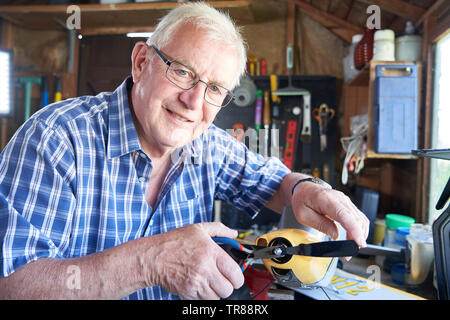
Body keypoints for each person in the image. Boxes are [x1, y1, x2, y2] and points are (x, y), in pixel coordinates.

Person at [0, 3, 369, 300]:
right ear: (142, 62)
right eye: (182, 72)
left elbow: (275, 183)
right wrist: (149, 261)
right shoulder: (57, 138)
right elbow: (11, 285)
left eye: (214, 90)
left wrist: (308, 189)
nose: (194, 102)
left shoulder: (205, 144)